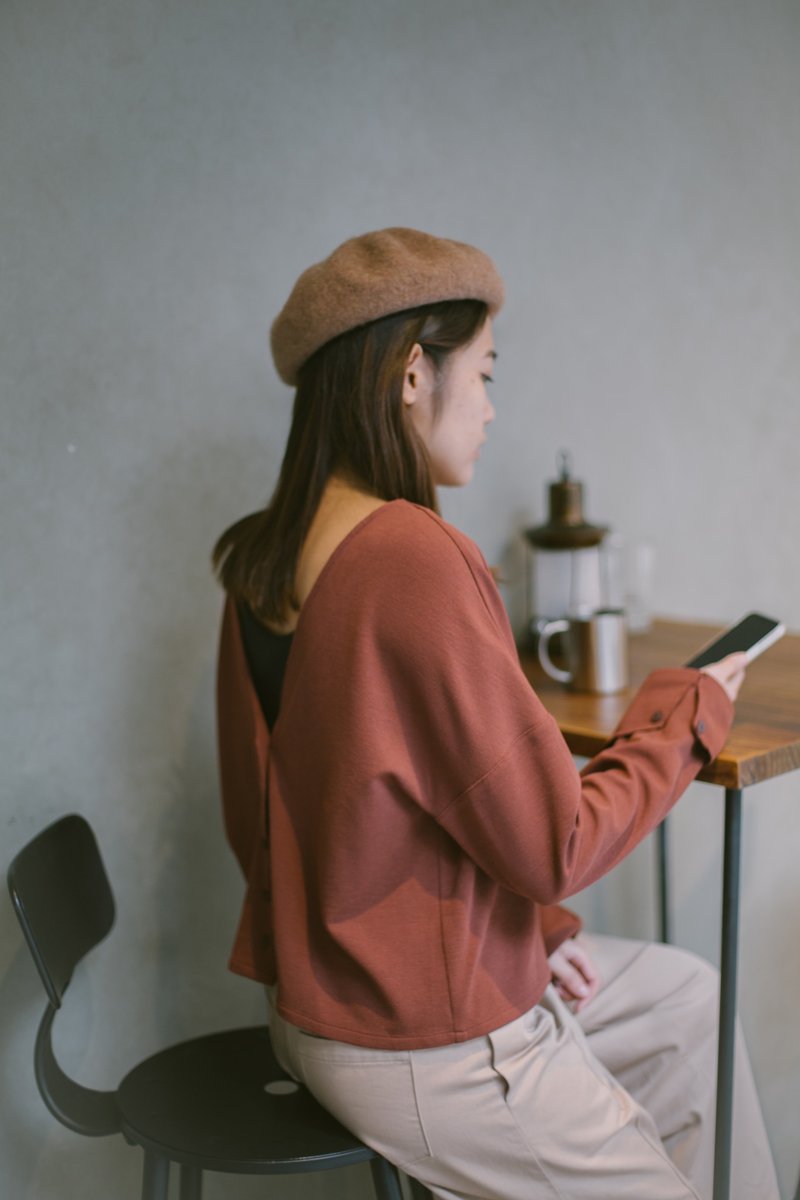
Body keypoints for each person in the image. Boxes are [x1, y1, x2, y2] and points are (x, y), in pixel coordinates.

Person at [213, 228, 779, 1200]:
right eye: (479, 374)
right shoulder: (413, 559)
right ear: (406, 377)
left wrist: (524, 934)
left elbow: (308, 824)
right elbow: (553, 841)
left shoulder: (268, 554)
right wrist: (686, 712)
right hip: (430, 1044)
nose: (487, 409)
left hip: (324, 1004)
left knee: (685, 998)